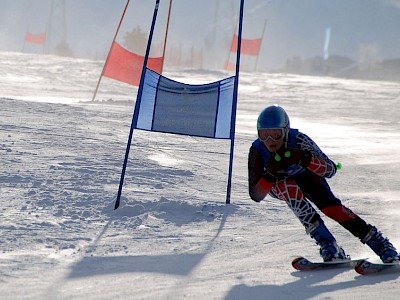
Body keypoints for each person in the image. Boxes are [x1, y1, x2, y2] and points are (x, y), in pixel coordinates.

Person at [248, 104, 399, 262]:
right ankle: (327, 244)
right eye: (264, 135)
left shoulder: (299, 140)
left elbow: (330, 170)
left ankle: (380, 244)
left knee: (331, 208)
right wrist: (270, 174)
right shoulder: (258, 150)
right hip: (279, 185)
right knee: (289, 189)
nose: (270, 141)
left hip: (307, 177)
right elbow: (256, 194)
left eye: (276, 135)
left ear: (286, 131)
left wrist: (306, 160)